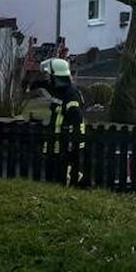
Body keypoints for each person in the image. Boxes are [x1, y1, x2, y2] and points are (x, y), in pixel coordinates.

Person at [42, 58, 87, 187]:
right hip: (57, 143)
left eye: (50, 76)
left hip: (67, 145)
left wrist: (70, 142)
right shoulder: (60, 92)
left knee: (63, 179)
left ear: (56, 77)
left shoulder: (71, 95)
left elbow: (76, 119)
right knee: (53, 178)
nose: (48, 79)